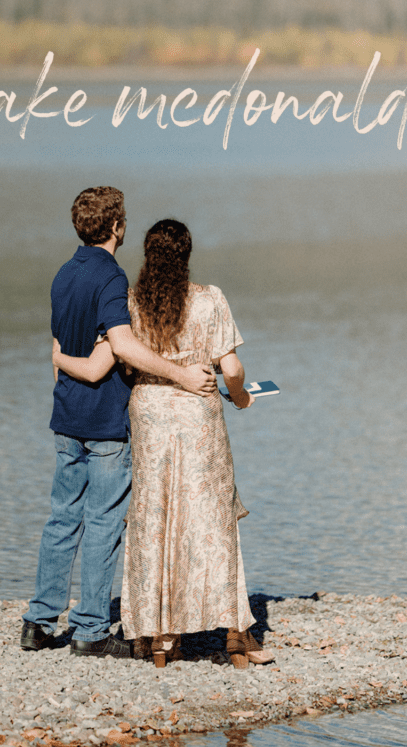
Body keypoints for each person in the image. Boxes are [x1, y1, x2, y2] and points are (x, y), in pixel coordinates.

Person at [54, 218, 275, 669]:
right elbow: (230, 367)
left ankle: (158, 636)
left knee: (154, 516)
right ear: (187, 255)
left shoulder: (130, 301)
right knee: (212, 515)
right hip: (198, 414)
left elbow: (117, 356)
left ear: (148, 256)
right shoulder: (209, 299)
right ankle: (233, 631)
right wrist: (243, 398)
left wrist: (58, 356)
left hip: (151, 413)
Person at [21, 189, 216, 660]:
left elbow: (57, 348)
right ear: (117, 227)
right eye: (123, 220)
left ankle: (39, 622)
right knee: (104, 522)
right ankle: (89, 629)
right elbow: (123, 346)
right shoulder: (112, 277)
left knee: (61, 518)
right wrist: (183, 376)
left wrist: (66, 376)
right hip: (104, 422)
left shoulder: (63, 274)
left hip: (66, 416)